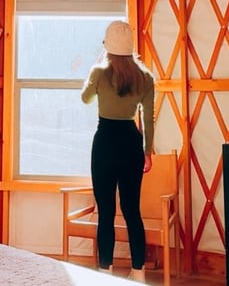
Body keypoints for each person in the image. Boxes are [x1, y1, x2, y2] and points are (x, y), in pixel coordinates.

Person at [80, 20, 155, 282]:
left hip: (105, 144)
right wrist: (147, 152)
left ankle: (105, 271)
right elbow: (148, 119)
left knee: (106, 212)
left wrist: (94, 73)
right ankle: (139, 271)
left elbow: (85, 98)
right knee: (132, 211)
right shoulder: (145, 78)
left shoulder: (100, 73)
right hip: (131, 144)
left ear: (108, 46)